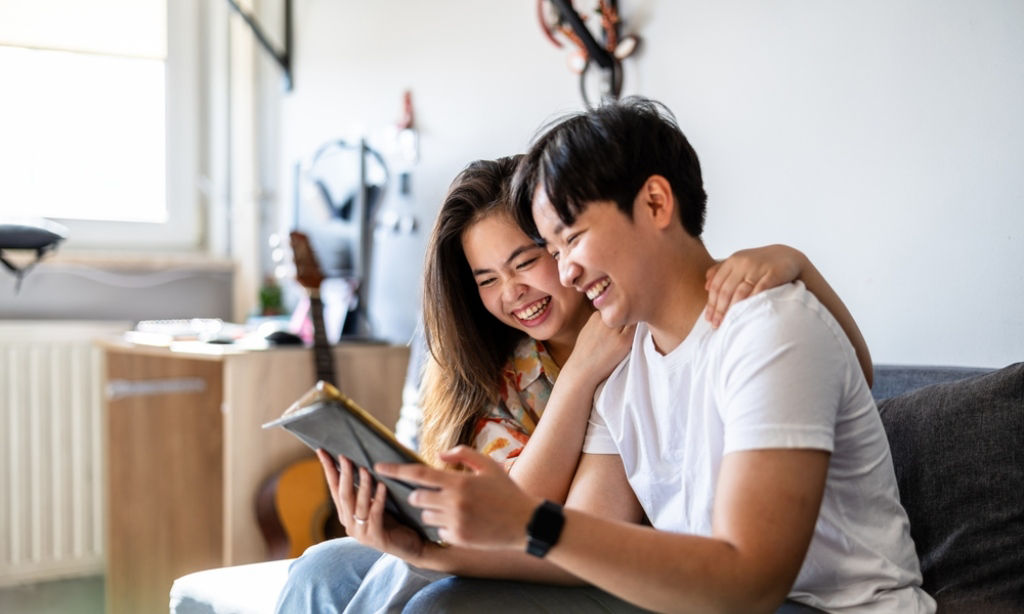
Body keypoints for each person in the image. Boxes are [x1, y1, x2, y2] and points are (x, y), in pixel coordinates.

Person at [373, 99, 936, 613]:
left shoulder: (772, 330)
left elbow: (752, 583)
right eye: (554, 249)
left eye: (571, 239)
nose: (565, 270)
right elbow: (588, 534)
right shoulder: (623, 363)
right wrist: (432, 553)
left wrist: (530, 520)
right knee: (442, 602)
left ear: (656, 202)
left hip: (819, 607)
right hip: (696, 600)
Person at [276, 151, 878, 613]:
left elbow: (849, 369)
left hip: (624, 563)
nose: (513, 292)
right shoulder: (516, 369)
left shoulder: (654, 336)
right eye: (486, 279)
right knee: (321, 569)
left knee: (437, 595)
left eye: (529, 259)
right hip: (560, 552)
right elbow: (504, 517)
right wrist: (414, 540)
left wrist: (794, 261)